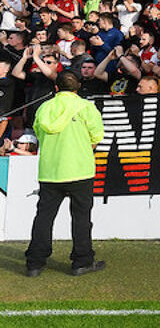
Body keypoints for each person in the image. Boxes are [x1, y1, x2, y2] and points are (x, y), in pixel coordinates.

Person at [25, 71, 105, 277]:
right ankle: (82, 261)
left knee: (44, 217)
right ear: (78, 87)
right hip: (80, 170)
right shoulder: (87, 107)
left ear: (56, 88)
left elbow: (38, 133)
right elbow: (96, 137)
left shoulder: (44, 107)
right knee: (81, 218)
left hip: (50, 171)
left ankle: (35, 263)